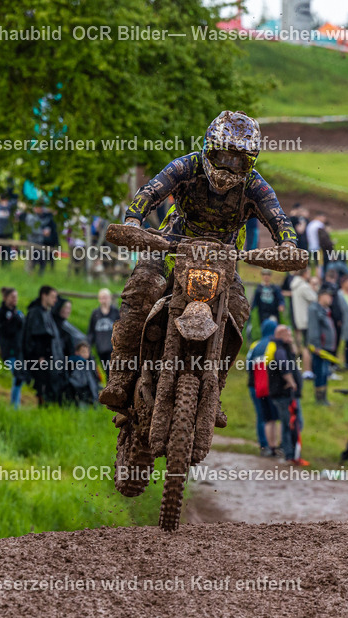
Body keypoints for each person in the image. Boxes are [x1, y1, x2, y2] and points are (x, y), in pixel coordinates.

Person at [98, 111, 299, 413]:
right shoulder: (187, 166)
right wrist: (133, 221)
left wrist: (288, 245)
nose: (228, 167)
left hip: (223, 258)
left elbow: (278, 217)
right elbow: (151, 190)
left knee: (238, 309)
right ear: (208, 148)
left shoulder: (256, 186)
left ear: (250, 163)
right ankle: (121, 375)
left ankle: (213, 388)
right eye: (222, 156)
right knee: (142, 287)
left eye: (238, 161)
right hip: (172, 245)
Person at [268, 325, 305, 464]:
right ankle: (288, 453)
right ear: (281, 335)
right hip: (283, 394)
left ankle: (289, 450)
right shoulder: (279, 350)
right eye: (288, 334)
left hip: (287, 394)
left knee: (293, 423)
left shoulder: (285, 347)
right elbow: (284, 367)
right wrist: (291, 382)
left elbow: (295, 354)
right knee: (290, 423)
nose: (291, 337)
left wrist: (291, 343)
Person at [23, 285, 64, 404]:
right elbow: (38, 337)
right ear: (44, 296)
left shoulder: (47, 312)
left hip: (51, 356)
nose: (55, 300)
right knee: (42, 385)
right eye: (53, 297)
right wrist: (40, 356)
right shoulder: (36, 313)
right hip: (40, 358)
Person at [247, 319, 280, 457]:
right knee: (270, 417)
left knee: (261, 416)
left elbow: (248, 365)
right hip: (267, 387)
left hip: (253, 385)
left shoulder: (254, 345)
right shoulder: (273, 344)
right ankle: (272, 446)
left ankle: (263, 445)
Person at [0, 287, 25, 408]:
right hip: (9, 350)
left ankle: (16, 402)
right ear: (5, 298)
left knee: (20, 376)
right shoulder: (1, 313)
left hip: (19, 350)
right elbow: (5, 331)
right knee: (17, 375)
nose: (14, 300)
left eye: (16, 297)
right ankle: (15, 405)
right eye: (12, 297)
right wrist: (15, 320)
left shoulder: (18, 313)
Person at [307, 288, 337, 406]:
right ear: (322, 296)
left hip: (326, 347)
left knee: (325, 372)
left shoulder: (324, 309)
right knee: (320, 372)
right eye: (329, 296)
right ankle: (319, 399)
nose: (331, 299)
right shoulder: (314, 309)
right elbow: (314, 329)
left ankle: (324, 398)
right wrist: (316, 346)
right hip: (320, 348)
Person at [290, 272, 317, 379]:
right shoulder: (304, 286)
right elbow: (314, 298)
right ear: (305, 273)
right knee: (307, 347)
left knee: (303, 345)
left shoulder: (294, 285)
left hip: (299, 320)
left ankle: (305, 369)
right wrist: (313, 288)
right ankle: (308, 370)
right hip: (307, 320)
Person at [87, 288, 120, 375]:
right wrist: (88, 345)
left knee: (113, 371)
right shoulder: (95, 314)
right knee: (106, 371)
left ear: (110, 298)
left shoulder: (116, 312)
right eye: (102, 297)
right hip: (101, 348)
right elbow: (91, 331)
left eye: (105, 297)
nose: (104, 300)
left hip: (113, 349)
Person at [66, 341, 101, 407]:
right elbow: (77, 381)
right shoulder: (76, 364)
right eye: (83, 352)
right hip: (82, 393)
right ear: (77, 352)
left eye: (87, 351)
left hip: (91, 392)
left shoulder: (90, 363)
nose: (86, 354)